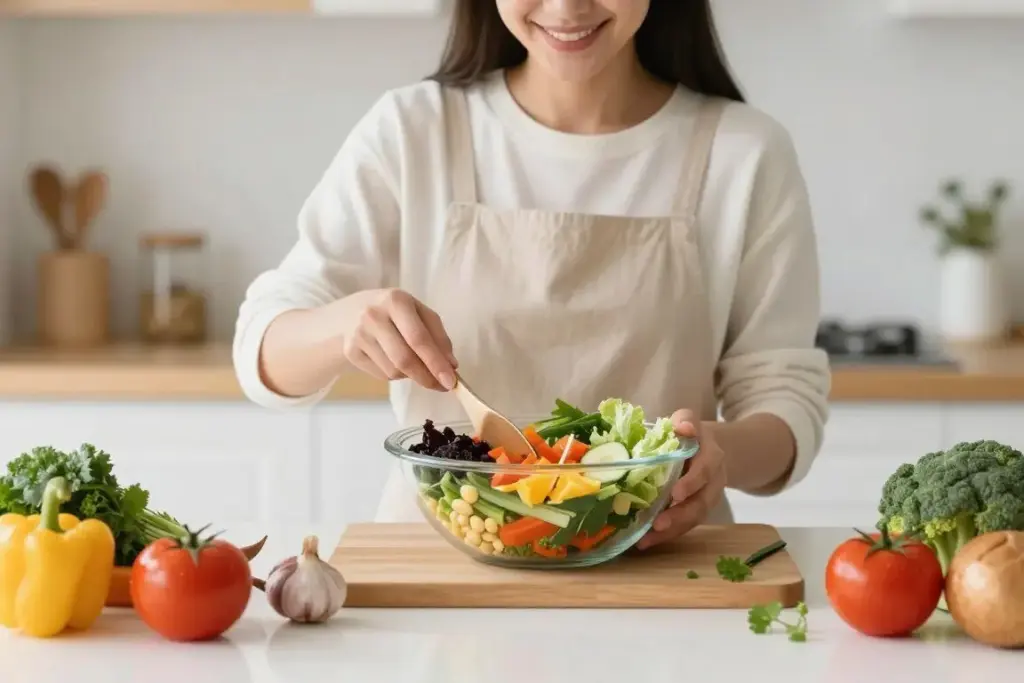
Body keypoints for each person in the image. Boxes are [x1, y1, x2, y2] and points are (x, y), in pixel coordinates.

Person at [233, 0, 831, 550]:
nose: (568, 7)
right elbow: (263, 354)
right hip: (438, 570)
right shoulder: (413, 130)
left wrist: (717, 451)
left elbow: (785, 400)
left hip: (663, 569)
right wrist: (344, 324)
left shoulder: (746, 152)